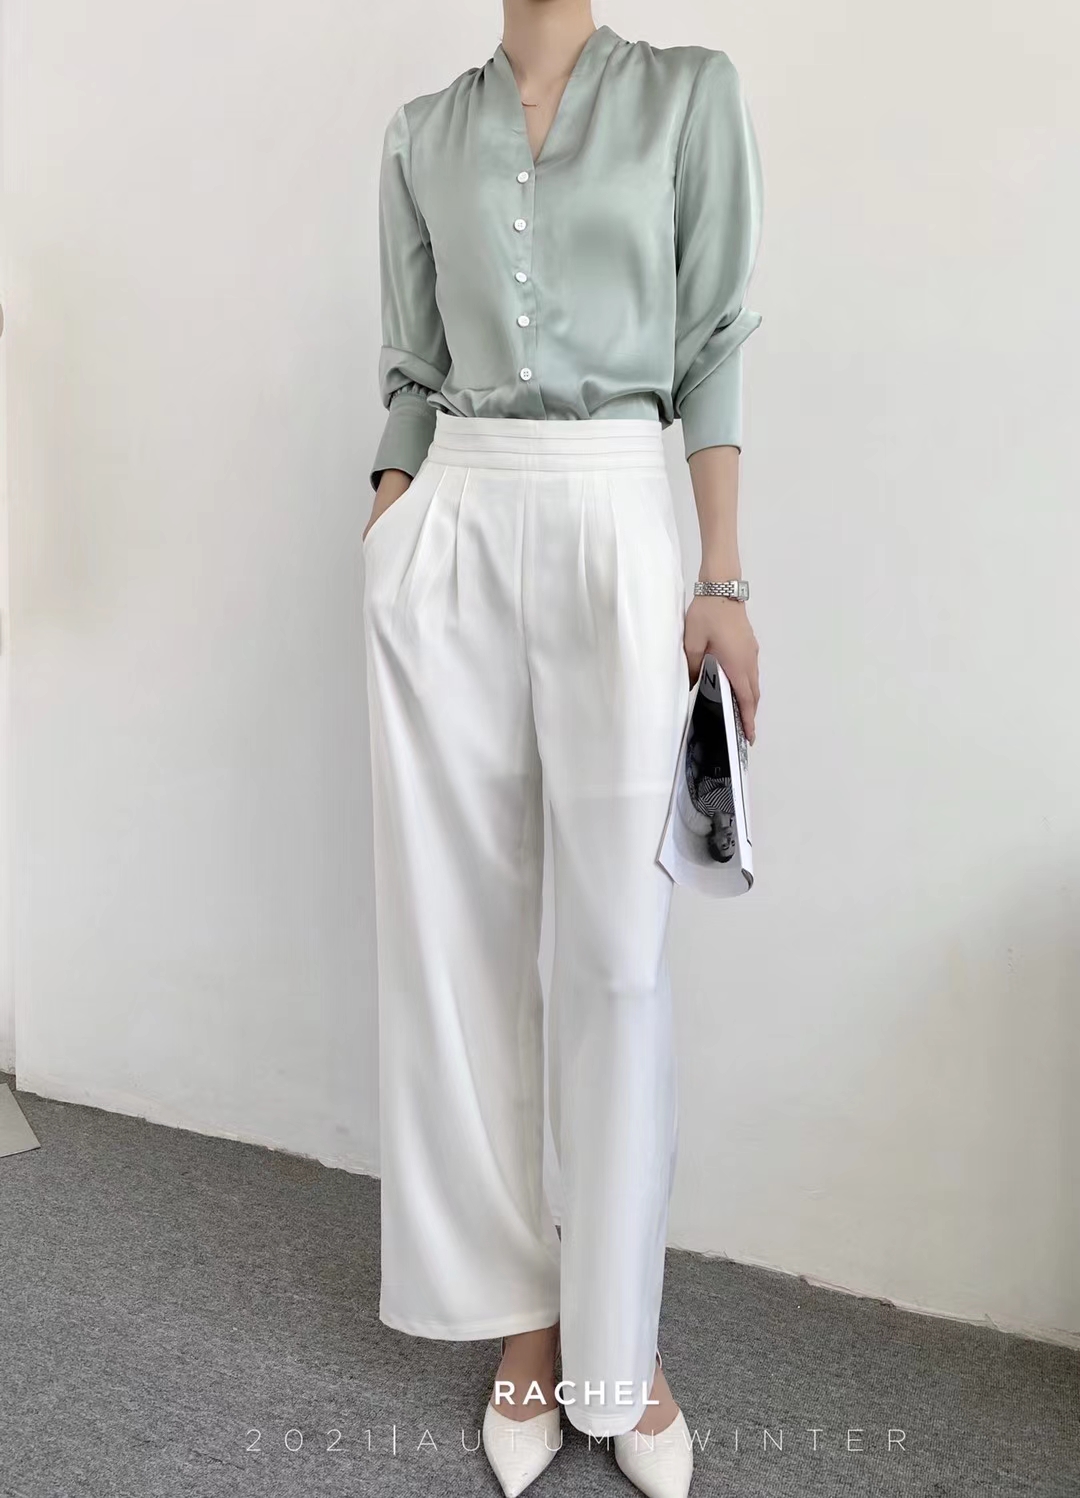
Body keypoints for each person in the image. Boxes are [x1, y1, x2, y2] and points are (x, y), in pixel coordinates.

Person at [362, 4, 762, 1493]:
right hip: (456, 524)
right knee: (457, 946)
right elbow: (410, 363)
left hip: (617, 518)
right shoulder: (420, 134)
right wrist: (391, 513)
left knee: (618, 957)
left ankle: (618, 1343)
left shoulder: (688, 97)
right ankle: (521, 1318)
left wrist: (722, 579)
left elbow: (713, 340)